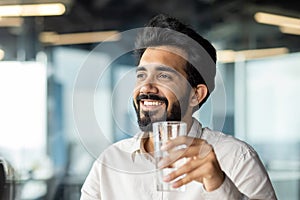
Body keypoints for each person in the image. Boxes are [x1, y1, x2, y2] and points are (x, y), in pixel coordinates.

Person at [80, 14, 277, 200]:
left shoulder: (236, 157)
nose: (146, 87)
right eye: (141, 75)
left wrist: (219, 184)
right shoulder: (110, 162)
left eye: (164, 76)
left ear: (196, 94)